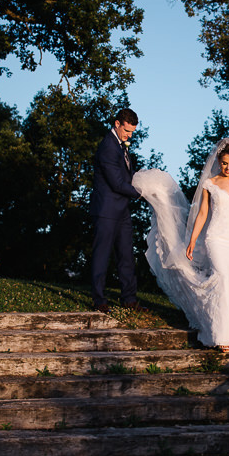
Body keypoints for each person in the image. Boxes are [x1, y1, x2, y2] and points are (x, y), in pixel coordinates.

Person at [132, 138, 229, 352]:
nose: (228, 168)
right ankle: (222, 337)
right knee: (221, 279)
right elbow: (202, 214)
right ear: (219, 161)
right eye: (224, 163)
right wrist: (192, 240)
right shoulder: (209, 184)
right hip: (216, 239)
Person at [90, 108, 144, 313]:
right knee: (102, 255)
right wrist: (142, 193)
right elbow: (117, 183)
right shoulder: (107, 147)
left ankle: (129, 299)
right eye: (127, 131)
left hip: (122, 211)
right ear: (117, 123)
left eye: (131, 132)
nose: (129, 136)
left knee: (127, 255)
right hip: (105, 209)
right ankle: (99, 300)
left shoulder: (121, 146)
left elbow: (126, 176)